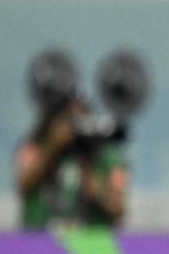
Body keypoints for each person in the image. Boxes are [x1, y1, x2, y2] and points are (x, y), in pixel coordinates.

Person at [16, 50, 128, 229]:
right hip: (39, 245)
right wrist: (53, 146)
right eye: (68, 117)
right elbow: (24, 185)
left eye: (81, 116)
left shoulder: (107, 156)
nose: (75, 125)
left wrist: (92, 181)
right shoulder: (37, 146)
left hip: (91, 247)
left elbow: (118, 210)